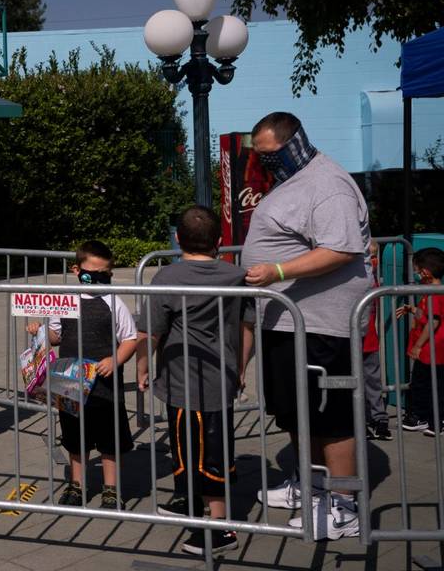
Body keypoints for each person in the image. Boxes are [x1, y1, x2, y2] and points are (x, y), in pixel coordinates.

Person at [242, 112, 370, 541]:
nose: (263, 164)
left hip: (320, 323)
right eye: (258, 156)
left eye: (269, 155)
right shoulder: (295, 181)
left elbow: (341, 248)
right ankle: (311, 487)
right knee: (298, 410)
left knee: (328, 415)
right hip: (289, 320)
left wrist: (278, 270)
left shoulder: (327, 184)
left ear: (293, 142)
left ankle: (344, 506)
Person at [137, 206, 253, 556]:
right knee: (190, 445)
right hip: (215, 376)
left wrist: (142, 366)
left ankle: (221, 527)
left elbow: (151, 332)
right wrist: (242, 367)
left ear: (177, 239)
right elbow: (247, 328)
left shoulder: (166, 277)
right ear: (219, 241)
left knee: (207, 452)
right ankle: (188, 501)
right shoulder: (236, 275)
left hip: (183, 378)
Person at [31, 240, 136, 509]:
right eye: (94, 274)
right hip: (70, 383)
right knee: (75, 439)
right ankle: (77, 485)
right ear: (77, 270)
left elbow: (130, 338)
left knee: (109, 440)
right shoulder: (64, 300)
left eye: (105, 274)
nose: (100, 279)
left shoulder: (114, 301)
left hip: (105, 387)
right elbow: (56, 336)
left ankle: (111, 489)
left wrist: (116, 359)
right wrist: (40, 330)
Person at [403, 248, 444, 433]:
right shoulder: (431, 292)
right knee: (429, 384)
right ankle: (432, 420)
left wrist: (418, 345)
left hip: (431, 350)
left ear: (425, 272)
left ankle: (425, 418)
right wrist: (412, 310)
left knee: (425, 384)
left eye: (416, 269)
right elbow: (426, 316)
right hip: (432, 350)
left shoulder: (434, 293)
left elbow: (433, 322)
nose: (415, 273)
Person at [361, 241, 394, 441]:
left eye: (375, 257)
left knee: (372, 381)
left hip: (369, 342)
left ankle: (379, 418)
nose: (373, 261)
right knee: (353, 383)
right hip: (349, 342)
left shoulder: (374, 282)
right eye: (369, 257)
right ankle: (360, 420)